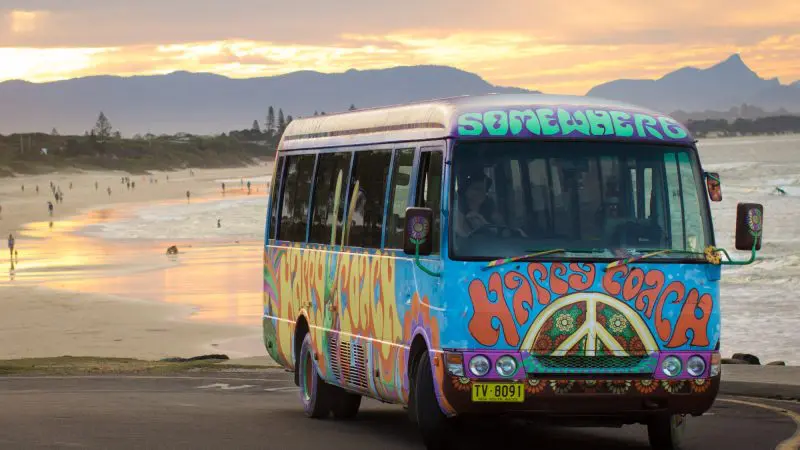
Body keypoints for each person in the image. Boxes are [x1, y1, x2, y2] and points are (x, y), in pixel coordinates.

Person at [453, 173, 505, 238]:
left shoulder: (490, 208)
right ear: (466, 192)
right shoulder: (459, 209)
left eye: (484, 189)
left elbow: (504, 230)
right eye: (477, 189)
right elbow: (459, 230)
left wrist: (483, 222)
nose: (482, 192)